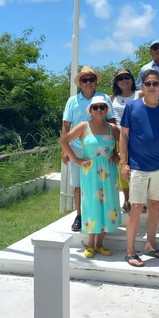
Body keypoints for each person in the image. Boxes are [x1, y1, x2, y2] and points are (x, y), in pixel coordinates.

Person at [120, 69, 159, 267]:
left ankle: (150, 245)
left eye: (155, 83)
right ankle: (130, 251)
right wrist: (123, 163)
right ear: (142, 87)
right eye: (148, 84)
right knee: (135, 207)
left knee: (155, 205)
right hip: (137, 166)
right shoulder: (132, 108)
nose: (151, 87)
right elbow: (123, 136)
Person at [59, 96, 122, 257]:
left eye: (102, 107)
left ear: (107, 109)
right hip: (90, 172)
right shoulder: (83, 126)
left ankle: (101, 244)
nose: (99, 110)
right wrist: (75, 159)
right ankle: (90, 244)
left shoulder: (113, 128)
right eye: (96, 107)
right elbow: (64, 141)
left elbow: (122, 144)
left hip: (109, 172)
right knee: (92, 204)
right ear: (91, 110)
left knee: (107, 205)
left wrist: (118, 155)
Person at [62, 66, 115, 232]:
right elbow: (66, 126)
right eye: (84, 80)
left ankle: (100, 216)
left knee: (101, 185)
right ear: (80, 83)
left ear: (95, 81)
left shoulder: (103, 98)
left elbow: (112, 123)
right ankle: (80, 215)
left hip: (101, 150)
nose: (88, 82)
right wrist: (65, 151)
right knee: (79, 184)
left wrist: (115, 151)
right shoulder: (72, 101)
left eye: (91, 79)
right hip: (78, 148)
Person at [110, 68, 140, 212]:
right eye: (120, 78)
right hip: (118, 138)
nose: (124, 80)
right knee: (123, 168)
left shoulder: (140, 94)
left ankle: (140, 200)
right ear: (116, 82)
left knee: (139, 169)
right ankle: (127, 199)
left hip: (137, 138)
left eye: (127, 77)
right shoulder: (111, 98)